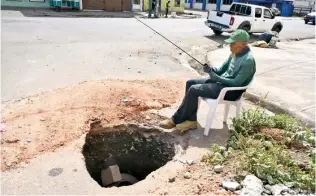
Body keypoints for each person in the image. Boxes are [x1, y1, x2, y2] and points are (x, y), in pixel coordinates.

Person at [159, 29, 256, 132]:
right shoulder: (234, 53)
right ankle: (190, 120)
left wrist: (216, 78)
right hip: (221, 83)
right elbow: (221, 70)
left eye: (233, 43)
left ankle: (177, 119)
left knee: (193, 89)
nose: (230, 45)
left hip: (230, 91)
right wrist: (210, 69)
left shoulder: (248, 60)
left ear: (242, 44)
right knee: (190, 83)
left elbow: (237, 83)